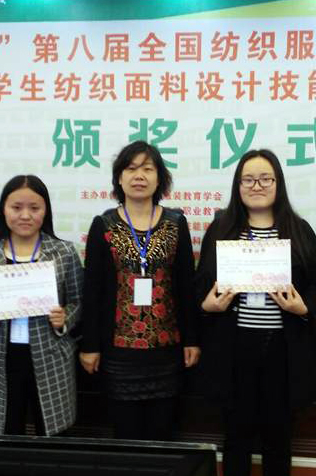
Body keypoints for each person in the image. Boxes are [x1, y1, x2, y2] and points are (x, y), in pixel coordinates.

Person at [196, 149, 316, 476]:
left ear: (278, 183)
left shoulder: (298, 229)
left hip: (282, 347)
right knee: (236, 432)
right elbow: (200, 283)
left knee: (278, 433)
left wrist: (303, 307)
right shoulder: (222, 228)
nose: (257, 186)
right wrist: (207, 305)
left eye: (265, 179)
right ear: (238, 186)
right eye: (248, 180)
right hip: (234, 346)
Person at [79, 140, 200, 441]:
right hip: (119, 352)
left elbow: (186, 286)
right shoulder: (103, 225)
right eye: (131, 168)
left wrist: (192, 339)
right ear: (119, 178)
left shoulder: (176, 223)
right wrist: (90, 345)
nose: (139, 176)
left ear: (160, 179)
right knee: (126, 434)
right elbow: (92, 290)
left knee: (163, 433)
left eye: (148, 168)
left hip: (166, 350)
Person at [0, 174, 82, 436]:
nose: (25, 215)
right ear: (3, 209)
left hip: (50, 356)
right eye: (16, 207)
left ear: (45, 211)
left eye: (34, 208)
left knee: (51, 431)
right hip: (0, 356)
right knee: (5, 431)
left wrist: (65, 318)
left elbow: (78, 301)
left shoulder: (63, 252)